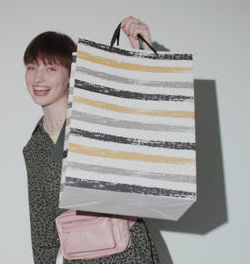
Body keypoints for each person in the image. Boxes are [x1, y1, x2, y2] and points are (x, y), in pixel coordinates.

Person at [23, 16, 160, 264]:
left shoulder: (100, 118)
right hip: (77, 258)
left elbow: (146, 120)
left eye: (51, 68)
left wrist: (144, 55)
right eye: (32, 67)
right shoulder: (34, 147)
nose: (38, 78)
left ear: (71, 73)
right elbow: (42, 226)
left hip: (127, 254)